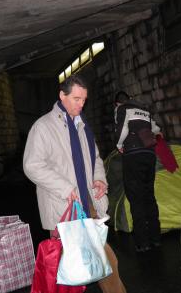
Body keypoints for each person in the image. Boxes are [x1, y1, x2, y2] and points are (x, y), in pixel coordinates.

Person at [23, 74, 126, 293]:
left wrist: (99, 179)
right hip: (64, 208)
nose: (81, 104)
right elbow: (32, 165)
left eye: (84, 100)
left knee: (105, 262)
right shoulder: (43, 127)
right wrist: (65, 188)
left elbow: (96, 159)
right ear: (62, 95)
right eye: (77, 99)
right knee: (71, 270)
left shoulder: (83, 127)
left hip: (88, 202)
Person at [114, 91, 162, 252]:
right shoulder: (145, 111)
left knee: (135, 196)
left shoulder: (123, 109)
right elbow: (156, 129)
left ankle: (143, 243)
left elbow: (122, 131)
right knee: (149, 195)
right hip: (149, 155)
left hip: (133, 154)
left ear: (118, 104)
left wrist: (119, 145)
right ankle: (155, 238)